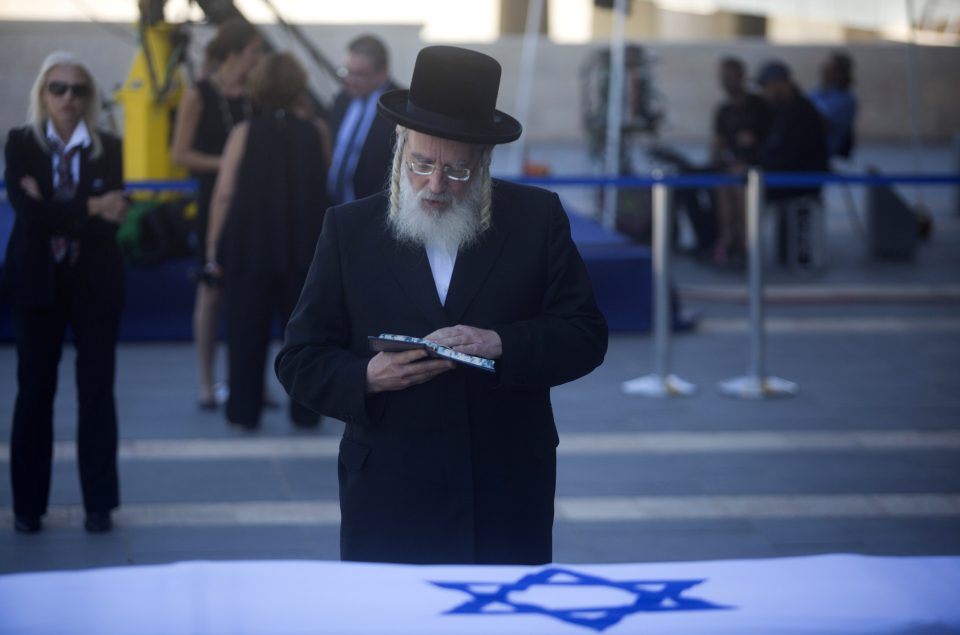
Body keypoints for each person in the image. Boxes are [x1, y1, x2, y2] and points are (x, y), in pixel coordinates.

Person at [275, 46, 608, 565]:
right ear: (399, 150)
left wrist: (501, 343)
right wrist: (367, 376)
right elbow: (298, 359)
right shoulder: (349, 229)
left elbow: (585, 333)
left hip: (504, 488)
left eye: (456, 172)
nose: (434, 186)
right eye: (421, 165)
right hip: (390, 491)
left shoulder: (535, 218)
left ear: (483, 164)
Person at [5, 52, 128, 534]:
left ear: (89, 97)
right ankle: (27, 508)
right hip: (36, 285)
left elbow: (112, 218)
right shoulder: (19, 144)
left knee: (96, 394)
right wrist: (90, 205)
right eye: (58, 88)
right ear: (42, 94)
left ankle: (99, 505)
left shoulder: (110, 147)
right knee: (34, 393)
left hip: (96, 286)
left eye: (78, 90)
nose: (68, 98)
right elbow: (29, 219)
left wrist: (59, 205)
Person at [205, 52, 330, 430]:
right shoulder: (317, 131)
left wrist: (213, 247)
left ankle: (243, 412)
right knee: (305, 337)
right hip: (303, 249)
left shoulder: (244, 132)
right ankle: (305, 411)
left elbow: (224, 193)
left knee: (246, 332)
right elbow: (322, 186)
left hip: (250, 247)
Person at [171, 17, 263, 409]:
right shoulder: (200, 93)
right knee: (211, 292)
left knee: (254, 294)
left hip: (256, 203)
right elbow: (180, 154)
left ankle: (252, 383)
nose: (260, 59)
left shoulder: (258, 95)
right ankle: (207, 382)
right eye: (255, 52)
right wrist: (228, 164)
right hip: (214, 201)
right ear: (235, 53)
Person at [755, 60, 829, 264]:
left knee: (744, 192)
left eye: (767, 86)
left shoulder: (801, 112)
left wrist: (758, 168)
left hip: (799, 180)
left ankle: (742, 250)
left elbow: (792, 155)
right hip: (787, 174)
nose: (764, 92)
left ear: (780, 83)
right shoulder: (783, 110)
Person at [326, 34, 400, 205]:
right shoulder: (342, 100)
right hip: (332, 207)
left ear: (382, 73)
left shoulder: (397, 107)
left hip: (371, 208)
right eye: (347, 71)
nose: (350, 80)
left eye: (359, 74)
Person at [709, 57, 769, 266]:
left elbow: (769, 142)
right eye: (724, 77)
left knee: (737, 185)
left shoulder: (758, 105)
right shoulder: (723, 110)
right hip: (730, 169)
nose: (727, 81)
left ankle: (745, 243)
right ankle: (726, 240)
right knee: (722, 183)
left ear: (742, 76)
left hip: (757, 169)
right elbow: (717, 144)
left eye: (731, 76)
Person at [808, 51, 858, 160]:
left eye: (830, 69)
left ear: (841, 74)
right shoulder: (815, 92)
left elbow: (823, 126)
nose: (824, 71)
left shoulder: (846, 100)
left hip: (823, 153)